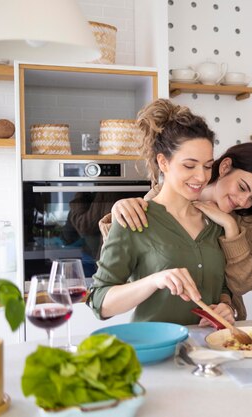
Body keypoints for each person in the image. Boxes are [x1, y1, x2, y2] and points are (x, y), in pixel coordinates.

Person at [88, 98, 233, 325]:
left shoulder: (213, 222)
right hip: (155, 351)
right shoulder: (135, 218)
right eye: (189, 165)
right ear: (163, 162)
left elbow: (222, 285)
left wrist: (225, 306)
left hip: (209, 351)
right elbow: (99, 301)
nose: (202, 176)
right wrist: (155, 280)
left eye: (207, 166)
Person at [98, 142, 252, 320]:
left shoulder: (243, 215)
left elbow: (240, 284)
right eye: (242, 187)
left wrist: (230, 227)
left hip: (220, 330)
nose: (243, 201)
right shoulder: (162, 199)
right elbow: (126, 258)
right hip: (161, 330)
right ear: (225, 166)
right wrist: (119, 209)